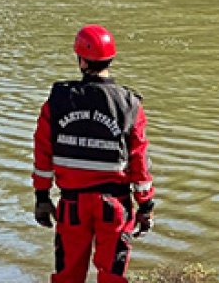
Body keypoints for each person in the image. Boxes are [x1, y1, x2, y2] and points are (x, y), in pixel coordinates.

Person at [32, 24, 155, 283]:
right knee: (112, 276)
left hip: (72, 206)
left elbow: (43, 152)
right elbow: (139, 160)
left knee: (67, 276)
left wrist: (42, 196)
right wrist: (146, 205)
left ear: (81, 60)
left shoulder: (57, 101)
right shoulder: (129, 104)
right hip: (114, 206)